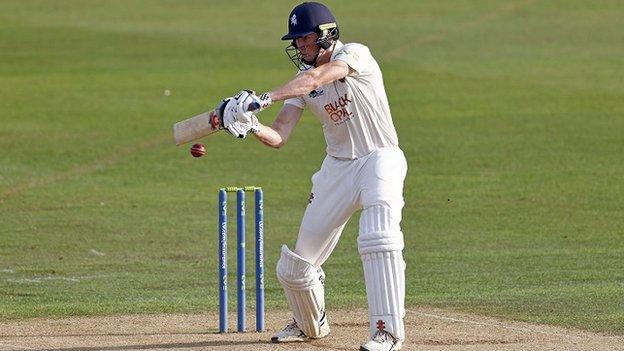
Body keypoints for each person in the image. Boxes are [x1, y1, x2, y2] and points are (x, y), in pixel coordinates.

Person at [216, 2, 407, 350]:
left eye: (304, 39)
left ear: (326, 34)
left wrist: (264, 97)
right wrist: (251, 124)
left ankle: (387, 332)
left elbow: (318, 78)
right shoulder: (302, 83)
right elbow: (280, 136)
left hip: (379, 158)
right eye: (296, 42)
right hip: (337, 168)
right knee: (295, 268)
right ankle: (309, 324)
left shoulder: (355, 54)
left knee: (378, 237)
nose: (300, 47)